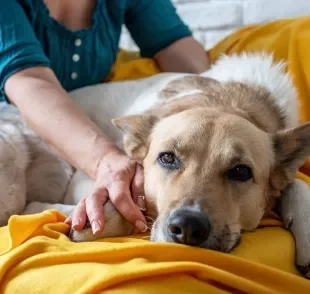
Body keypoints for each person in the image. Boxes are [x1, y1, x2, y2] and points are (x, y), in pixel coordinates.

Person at [1, 0, 209, 235]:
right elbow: (29, 80)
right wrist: (106, 161)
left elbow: (179, 49)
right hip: (11, 133)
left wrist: (216, 96)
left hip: (78, 137)